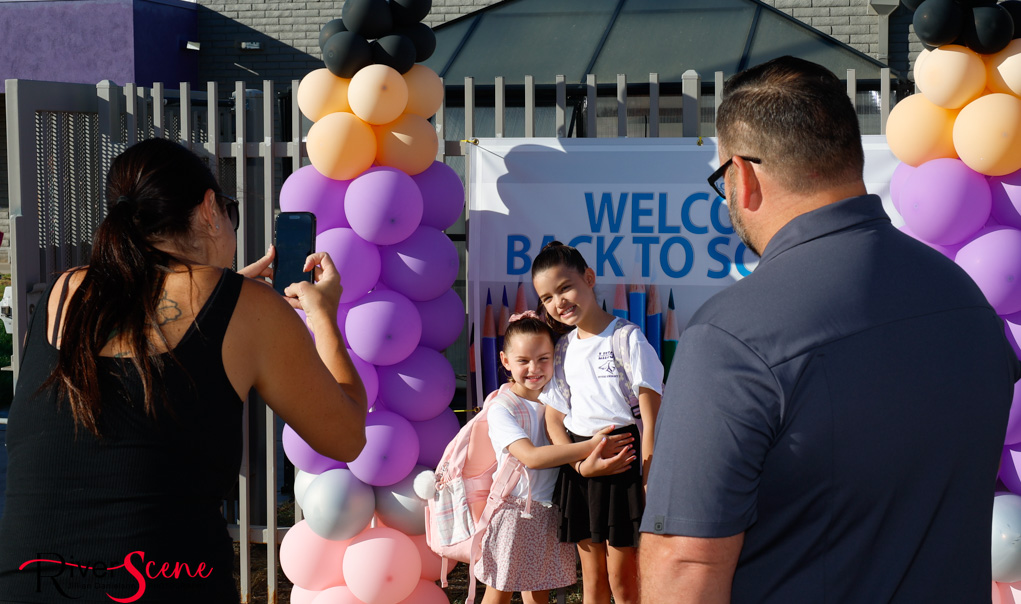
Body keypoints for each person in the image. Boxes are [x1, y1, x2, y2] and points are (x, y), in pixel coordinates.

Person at [639, 55, 1021, 604]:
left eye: (720, 176)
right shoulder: (964, 297)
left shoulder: (730, 338)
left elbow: (685, 565)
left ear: (741, 177)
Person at [0, 138, 367, 603]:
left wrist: (228, 299)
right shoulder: (250, 308)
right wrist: (324, 319)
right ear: (210, 209)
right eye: (229, 208)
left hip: (29, 584)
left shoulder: (63, 291)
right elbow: (348, 436)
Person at [531, 242, 663, 604]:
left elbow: (651, 422)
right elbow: (555, 419)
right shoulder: (561, 349)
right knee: (592, 583)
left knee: (624, 584)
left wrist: (648, 482)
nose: (558, 302)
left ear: (589, 278)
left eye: (564, 288)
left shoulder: (627, 338)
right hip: (581, 472)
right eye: (546, 298)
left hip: (625, 468)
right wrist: (579, 463)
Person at [475, 311, 636, 604]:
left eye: (543, 358)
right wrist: (593, 446)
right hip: (515, 512)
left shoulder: (559, 397)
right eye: (523, 361)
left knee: (539, 592)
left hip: (550, 510)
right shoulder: (503, 408)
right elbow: (532, 457)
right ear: (505, 360)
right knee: (499, 592)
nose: (534, 368)